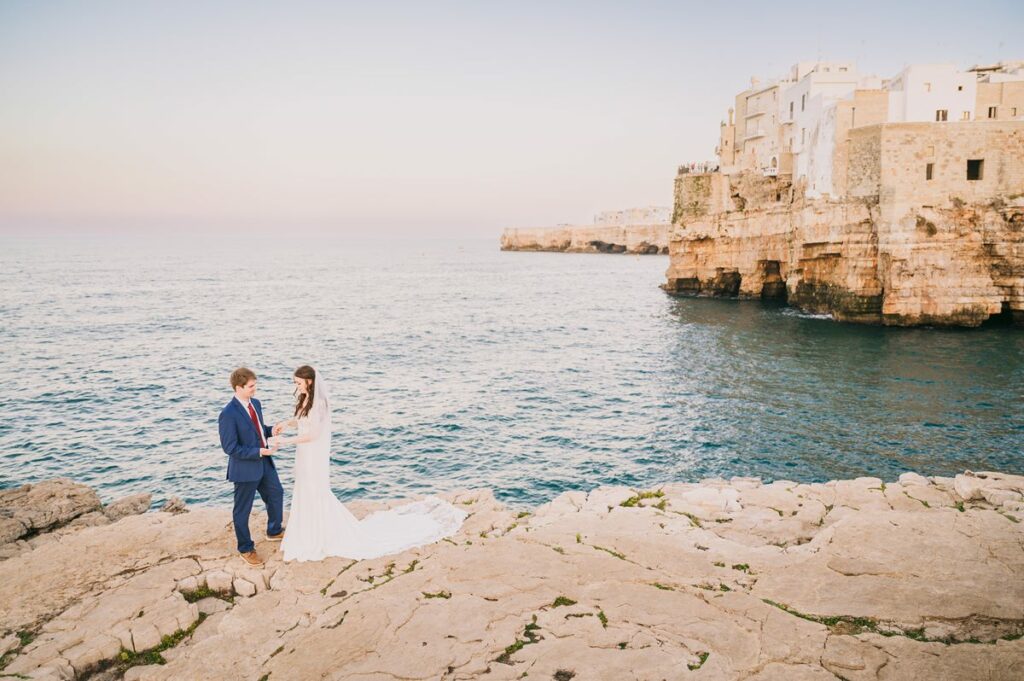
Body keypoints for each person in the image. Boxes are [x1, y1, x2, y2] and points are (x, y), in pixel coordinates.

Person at [271, 365, 466, 562]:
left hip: (312, 453)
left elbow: (314, 434)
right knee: (305, 489)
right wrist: (287, 424)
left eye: (298, 382)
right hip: (304, 452)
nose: (296, 386)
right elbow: (303, 421)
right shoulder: (305, 398)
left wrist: (285, 441)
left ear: (310, 381)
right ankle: (307, 532)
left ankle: (320, 535)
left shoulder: (320, 403)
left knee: (315, 490)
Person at [218, 367, 284, 566]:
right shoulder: (228, 414)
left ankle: (273, 530)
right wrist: (258, 451)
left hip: (264, 462)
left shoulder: (255, 403)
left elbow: (258, 431)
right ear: (238, 388)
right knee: (242, 510)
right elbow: (230, 447)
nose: (255, 390)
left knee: (276, 494)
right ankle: (245, 548)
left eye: (255, 385)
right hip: (245, 469)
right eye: (251, 387)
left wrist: (271, 430)